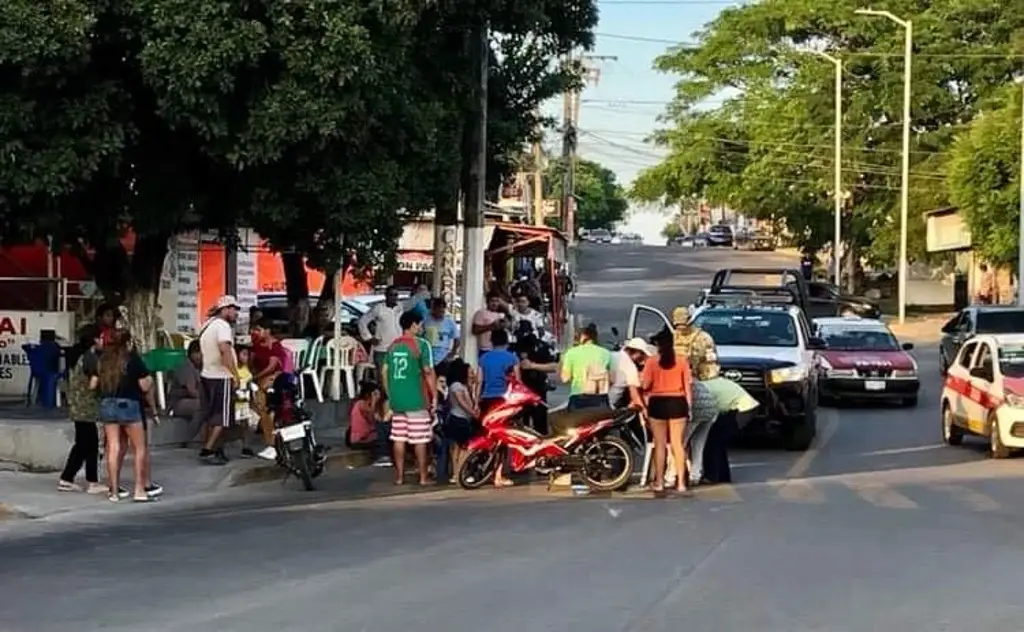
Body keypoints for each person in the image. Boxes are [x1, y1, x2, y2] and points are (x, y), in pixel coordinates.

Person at [96, 330, 154, 503]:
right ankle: (139, 489)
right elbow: (144, 386)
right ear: (127, 343)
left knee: (113, 447)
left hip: (107, 404)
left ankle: (113, 491)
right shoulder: (132, 359)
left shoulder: (103, 361)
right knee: (139, 448)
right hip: (129, 405)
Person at [382, 310, 437, 486]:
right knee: (419, 439)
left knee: (399, 438)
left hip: (397, 400)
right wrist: (434, 395)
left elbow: (384, 371)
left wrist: (390, 394)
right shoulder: (421, 345)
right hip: (416, 399)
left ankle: (399, 477)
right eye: (420, 324)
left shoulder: (393, 346)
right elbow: (428, 372)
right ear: (413, 325)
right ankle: (422, 477)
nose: (421, 328)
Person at [641, 328, 693, 495]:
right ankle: (682, 483)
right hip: (678, 403)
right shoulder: (682, 361)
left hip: (658, 403)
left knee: (660, 444)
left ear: (657, 345)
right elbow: (688, 388)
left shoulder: (651, 362)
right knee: (678, 445)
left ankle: (659, 482)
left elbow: (645, 385)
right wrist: (689, 407)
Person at [57, 324, 105, 495]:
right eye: (100, 337)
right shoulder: (91, 358)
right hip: (87, 409)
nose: (103, 341)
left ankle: (67, 479)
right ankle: (92, 481)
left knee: (82, 446)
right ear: (94, 340)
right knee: (91, 445)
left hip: (77, 407)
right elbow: (93, 384)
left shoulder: (77, 356)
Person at [197, 295, 241, 465]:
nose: (235, 313)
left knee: (211, 415)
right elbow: (225, 351)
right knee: (222, 417)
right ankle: (208, 450)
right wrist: (235, 374)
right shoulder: (222, 326)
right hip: (221, 376)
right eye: (233, 309)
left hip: (207, 374)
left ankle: (217, 448)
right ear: (224, 309)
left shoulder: (207, 325)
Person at [250, 320, 289, 460]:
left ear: (267, 331)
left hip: (274, 379)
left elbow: (272, 367)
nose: (254, 332)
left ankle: (271, 443)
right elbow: (251, 362)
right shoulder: (256, 345)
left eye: (258, 329)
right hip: (259, 379)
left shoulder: (275, 345)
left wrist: (255, 377)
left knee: (265, 406)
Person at [439, 359, 478, 483]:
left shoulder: (465, 386)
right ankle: (458, 472)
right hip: (458, 419)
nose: (473, 374)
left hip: (463, 418)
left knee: (457, 448)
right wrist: (474, 413)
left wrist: (474, 386)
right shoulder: (456, 386)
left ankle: (457, 473)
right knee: (462, 448)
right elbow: (462, 403)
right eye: (470, 371)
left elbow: (473, 401)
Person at [514, 325, 558, 435]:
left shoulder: (542, 347)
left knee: (540, 424)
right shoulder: (514, 348)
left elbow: (554, 366)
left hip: (538, 390)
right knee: (520, 426)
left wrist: (533, 366)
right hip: (520, 391)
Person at [559, 322, 613, 410]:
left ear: (582, 337)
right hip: (601, 398)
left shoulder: (571, 353)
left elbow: (565, 379)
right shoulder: (606, 353)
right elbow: (612, 379)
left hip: (578, 398)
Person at [358, 286, 403, 384]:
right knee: (383, 377)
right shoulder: (378, 308)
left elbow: (413, 301)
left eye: (396, 295)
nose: (394, 297)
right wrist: (369, 337)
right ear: (386, 295)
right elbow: (362, 321)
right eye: (391, 295)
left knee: (395, 377)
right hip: (382, 348)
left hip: (397, 348)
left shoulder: (400, 307)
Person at [670, 306, 720, 380]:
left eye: (684, 325)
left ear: (690, 321)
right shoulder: (671, 338)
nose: (681, 328)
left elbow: (711, 363)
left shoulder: (703, 338)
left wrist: (708, 381)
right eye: (678, 325)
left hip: (697, 380)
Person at [168, 340, 203, 446]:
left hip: (190, 400)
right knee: (202, 406)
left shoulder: (198, 367)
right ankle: (189, 438)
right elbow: (191, 391)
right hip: (179, 403)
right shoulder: (186, 367)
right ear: (195, 353)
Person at [478, 329, 519, 413]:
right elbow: (517, 381)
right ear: (506, 341)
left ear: (491, 341)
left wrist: (476, 399)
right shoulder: (513, 358)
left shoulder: (483, 358)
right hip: (506, 398)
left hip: (487, 397)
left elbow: (479, 381)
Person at [608, 337, 654, 410]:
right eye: (642, 354)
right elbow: (634, 393)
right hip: (611, 404)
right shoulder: (630, 366)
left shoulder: (612, 355)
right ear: (636, 352)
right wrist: (644, 411)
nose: (642, 358)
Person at [423, 297, 460, 379]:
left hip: (443, 356)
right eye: (438, 310)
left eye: (442, 310)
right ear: (433, 309)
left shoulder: (449, 321)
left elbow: (457, 339)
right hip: (428, 355)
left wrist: (452, 353)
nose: (440, 313)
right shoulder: (426, 319)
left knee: (442, 380)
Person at [346, 381, 382, 451]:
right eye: (375, 394)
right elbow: (372, 418)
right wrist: (374, 403)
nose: (379, 396)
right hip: (361, 440)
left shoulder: (362, 404)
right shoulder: (362, 404)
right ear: (368, 395)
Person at [234, 346, 256, 458]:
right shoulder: (233, 369)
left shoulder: (247, 368)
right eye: (243, 354)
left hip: (245, 400)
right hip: (236, 399)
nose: (246, 357)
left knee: (246, 424)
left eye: (247, 355)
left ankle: (246, 447)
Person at [471, 292, 508, 358]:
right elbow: (475, 330)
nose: (495, 304)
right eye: (492, 301)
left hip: (499, 348)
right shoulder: (481, 313)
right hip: (486, 349)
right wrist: (491, 326)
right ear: (487, 302)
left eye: (497, 301)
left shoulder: (500, 314)